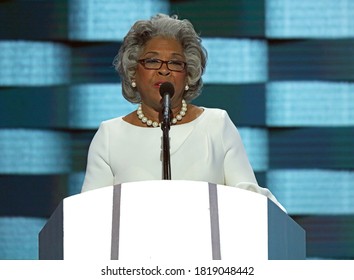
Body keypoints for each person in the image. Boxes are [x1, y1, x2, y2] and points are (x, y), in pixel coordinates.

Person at [81, 13, 285, 211]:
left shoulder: (216, 125)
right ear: (133, 71)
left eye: (175, 63)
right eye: (152, 61)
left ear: (188, 76)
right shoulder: (110, 136)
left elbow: (250, 202)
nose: (164, 70)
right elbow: (88, 214)